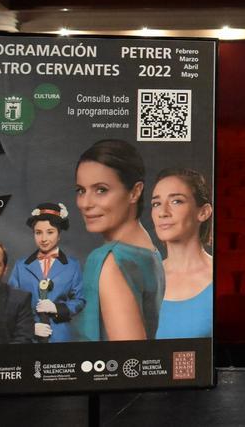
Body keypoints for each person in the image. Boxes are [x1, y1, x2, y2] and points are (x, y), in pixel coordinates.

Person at [69, 139, 165, 341]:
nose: (85, 204)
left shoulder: (109, 260)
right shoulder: (150, 251)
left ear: (135, 192)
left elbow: (129, 360)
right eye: (81, 190)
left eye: (101, 190)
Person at [6, 202, 85, 342]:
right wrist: (30, 326)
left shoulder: (72, 266)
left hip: (61, 337)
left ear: (59, 234)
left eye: (50, 232)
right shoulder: (21, 266)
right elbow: (11, 304)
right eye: (38, 232)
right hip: (28, 338)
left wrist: (57, 308)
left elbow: (80, 300)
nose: (43, 239)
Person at [151, 167, 214, 339]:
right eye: (156, 203)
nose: (162, 212)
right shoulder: (142, 277)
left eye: (176, 201)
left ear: (203, 212)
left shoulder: (220, 278)